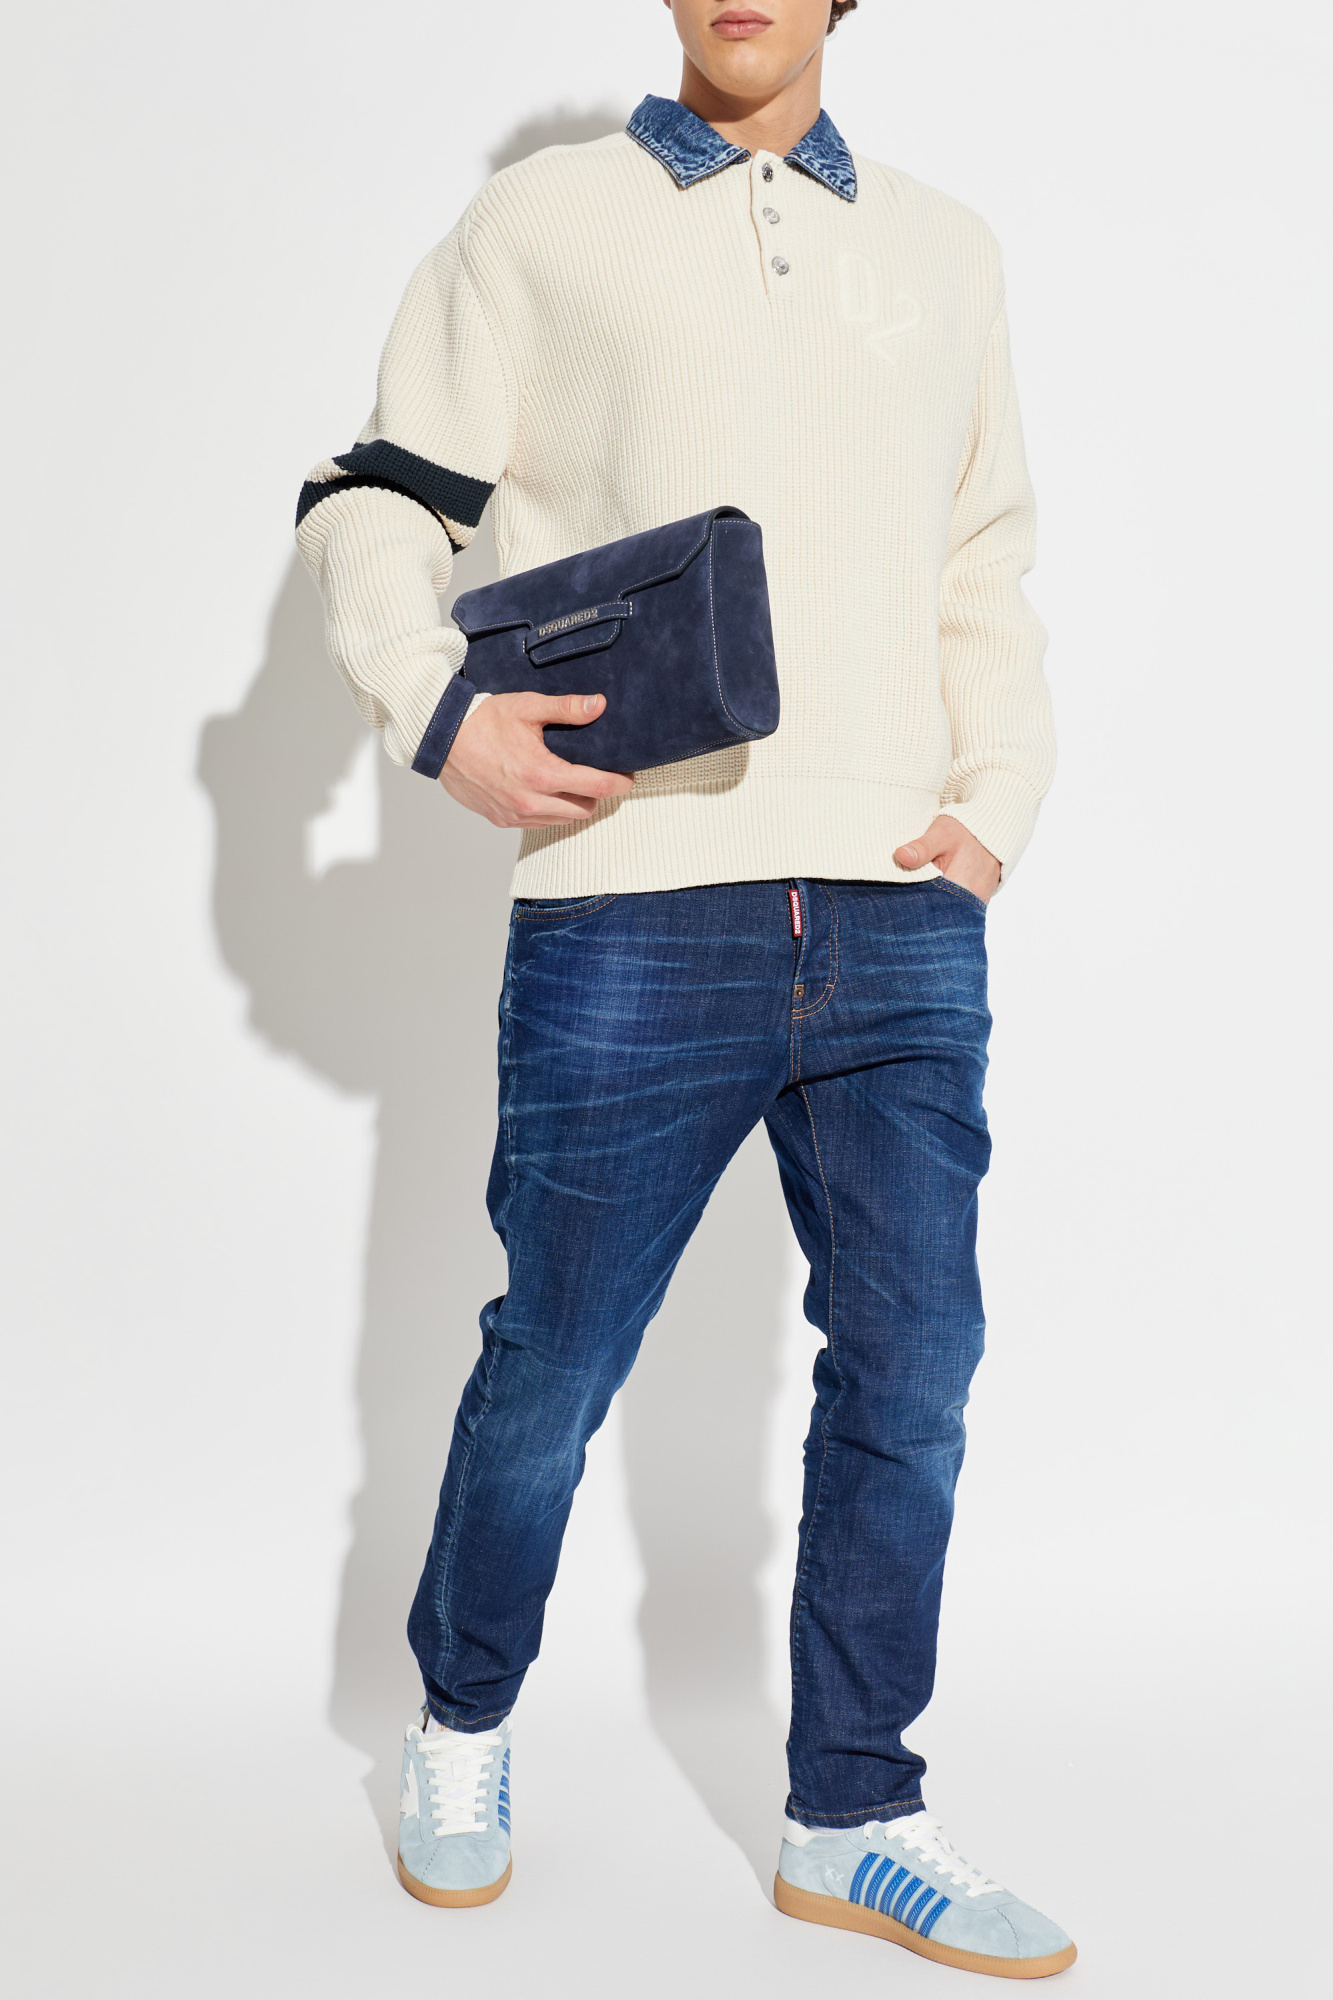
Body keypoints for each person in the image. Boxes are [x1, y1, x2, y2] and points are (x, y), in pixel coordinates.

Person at [297, 0, 1073, 1976]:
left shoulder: (946, 245)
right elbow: (376, 492)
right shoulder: (542, 220)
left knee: (915, 1369)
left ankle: (852, 1815)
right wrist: (434, 711)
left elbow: (981, 556)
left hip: (897, 904)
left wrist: (996, 800)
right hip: (635, 901)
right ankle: (459, 1726)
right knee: (553, 1359)